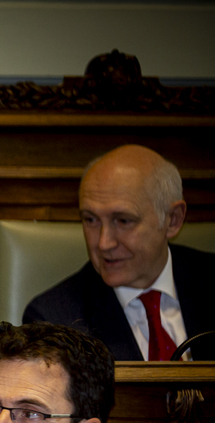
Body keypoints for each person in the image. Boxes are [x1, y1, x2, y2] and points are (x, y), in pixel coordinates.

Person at [23, 145, 215, 361]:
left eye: (123, 221)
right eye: (91, 220)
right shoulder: (55, 322)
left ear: (173, 220)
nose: (104, 243)